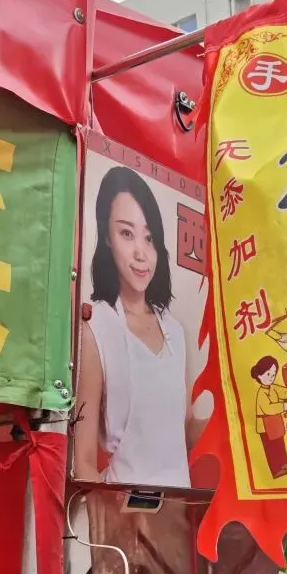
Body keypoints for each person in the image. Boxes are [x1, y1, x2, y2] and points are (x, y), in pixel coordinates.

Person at [74, 166, 195, 487]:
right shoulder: (96, 327)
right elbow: (83, 460)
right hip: (121, 516)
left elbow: (181, 430)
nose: (141, 253)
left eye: (149, 237)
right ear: (107, 238)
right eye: (126, 233)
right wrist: (112, 522)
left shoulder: (176, 333)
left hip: (177, 515)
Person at [250, 356, 287, 478]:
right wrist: (284, 406)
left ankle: (283, 462)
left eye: (273, 375)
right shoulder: (261, 393)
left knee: (280, 443)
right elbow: (268, 408)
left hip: (275, 423)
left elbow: (284, 392)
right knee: (271, 449)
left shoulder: (273, 388)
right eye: (268, 374)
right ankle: (275, 470)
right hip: (265, 426)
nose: (271, 378)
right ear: (260, 376)